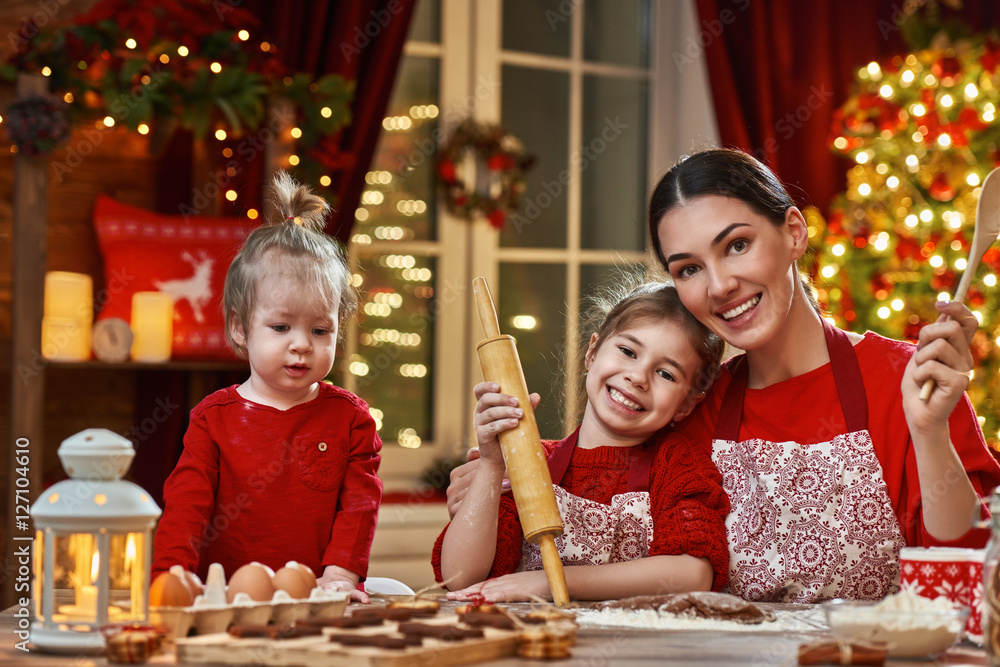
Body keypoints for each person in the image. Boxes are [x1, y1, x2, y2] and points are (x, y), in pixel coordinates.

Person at [644, 147, 1000, 602]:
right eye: (689, 269)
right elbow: (620, 527)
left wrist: (929, 432)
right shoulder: (696, 409)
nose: (719, 286)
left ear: (794, 233)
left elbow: (972, 575)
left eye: (737, 245)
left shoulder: (911, 381)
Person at [153, 172, 382, 602]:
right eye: (280, 326)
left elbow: (359, 509)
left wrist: (341, 577)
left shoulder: (351, 420)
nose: (301, 344)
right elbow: (185, 509)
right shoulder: (212, 419)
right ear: (240, 327)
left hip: (318, 598)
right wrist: (171, 577)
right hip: (222, 602)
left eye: (320, 330)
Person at [433, 278, 731, 602]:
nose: (638, 377)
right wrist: (492, 465)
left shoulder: (679, 464)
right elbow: (459, 577)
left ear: (687, 404)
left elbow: (693, 573)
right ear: (592, 352)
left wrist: (553, 582)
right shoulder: (530, 464)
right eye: (628, 351)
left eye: (666, 374)